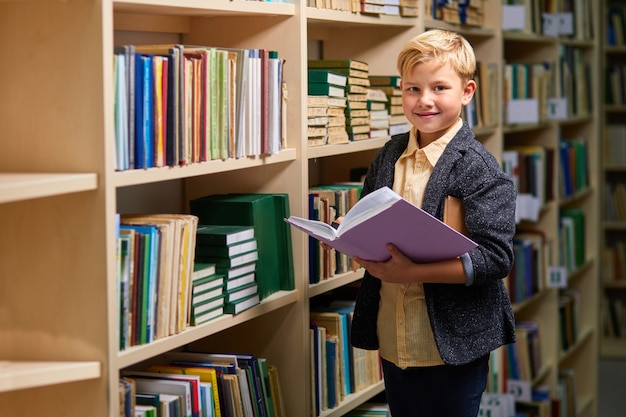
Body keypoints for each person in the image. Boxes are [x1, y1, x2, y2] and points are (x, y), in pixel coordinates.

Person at [347, 29, 517, 417]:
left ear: (467, 92)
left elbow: (495, 259)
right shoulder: (389, 155)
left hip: (454, 345)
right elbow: (368, 214)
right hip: (395, 339)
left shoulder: (477, 166)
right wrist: (348, 234)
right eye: (412, 89)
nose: (424, 101)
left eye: (439, 87)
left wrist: (413, 271)